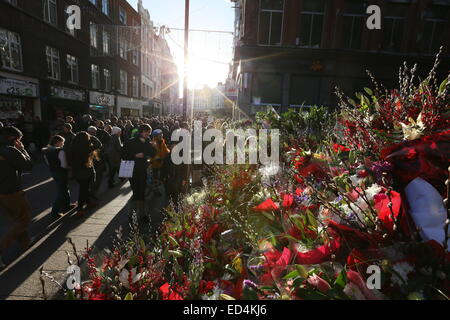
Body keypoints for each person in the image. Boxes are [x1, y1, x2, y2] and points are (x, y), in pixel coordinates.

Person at [0, 127, 33, 269]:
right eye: (19, 139)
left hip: (2, 191)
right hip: (12, 190)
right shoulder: (10, 150)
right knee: (24, 219)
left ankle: (25, 242)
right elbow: (28, 165)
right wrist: (23, 150)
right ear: (12, 138)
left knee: (17, 217)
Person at [121, 124, 156, 217]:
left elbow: (152, 154)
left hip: (143, 169)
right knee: (136, 191)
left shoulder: (148, 141)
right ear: (141, 131)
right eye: (147, 132)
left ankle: (142, 214)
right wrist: (135, 156)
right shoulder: (131, 141)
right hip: (132, 169)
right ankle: (133, 214)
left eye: (149, 132)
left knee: (142, 191)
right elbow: (123, 154)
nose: (148, 134)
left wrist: (153, 147)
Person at [68, 131, 102, 216]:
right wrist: (92, 137)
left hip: (76, 172)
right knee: (83, 190)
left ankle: (89, 203)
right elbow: (99, 144)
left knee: (84, 188)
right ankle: (79, 209)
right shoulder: (86, 147)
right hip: (85, 172)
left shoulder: (72, 148)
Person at [42, 135, 74, 218]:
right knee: (62, 192)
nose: (63, 144)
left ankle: (67, 205)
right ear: (57, 143)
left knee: (64, 189)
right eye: (62, 142)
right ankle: (54, 212)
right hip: (61, 172)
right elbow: (64, 165)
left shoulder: (46, 151)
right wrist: (70, 167)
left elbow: (47, 163)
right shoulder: (60, 151)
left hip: (53, 172)